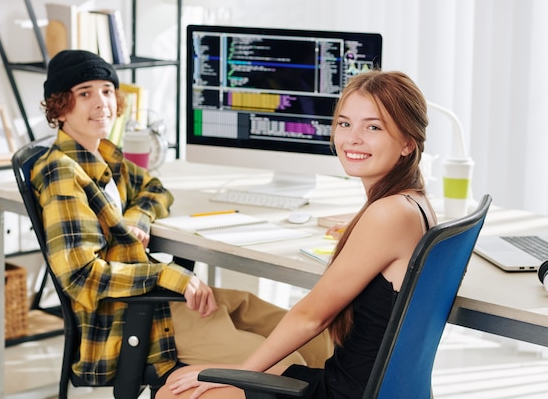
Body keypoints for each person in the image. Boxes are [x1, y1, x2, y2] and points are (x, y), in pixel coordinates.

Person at [31, 50, 332, 387]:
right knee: (289, 364)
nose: (101, 102)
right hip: (131, 323)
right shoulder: (62, 173)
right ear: (59, 107)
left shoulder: (103, 157)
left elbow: (154, 189)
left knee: (315, 338)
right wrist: (167, 275)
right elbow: (80, 275)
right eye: (84, 93)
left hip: (163, 306)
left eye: (106, 90)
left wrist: (138, 218)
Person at [156, 69, 437, 399]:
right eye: (345, 124)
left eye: (373, 127)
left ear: (407, 142)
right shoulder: (414, 204)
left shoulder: (386, 214)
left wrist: (239, 375)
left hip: (344, 393)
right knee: (189, 377)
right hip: (370, 386)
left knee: (176, 392)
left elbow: (310, 318)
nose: (352, 138)